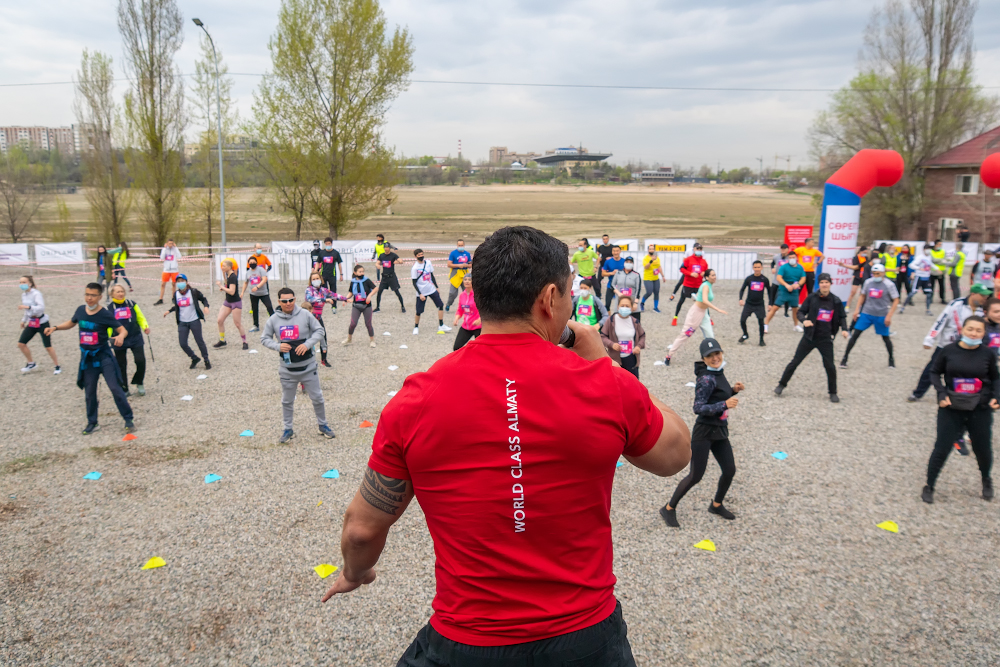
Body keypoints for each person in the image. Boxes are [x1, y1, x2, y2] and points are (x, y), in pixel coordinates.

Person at [320, 225, 691, 664]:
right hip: (585, 635)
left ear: (478, 295)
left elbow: (362, 529)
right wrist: (602, 362)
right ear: (550, 299)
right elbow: (675, 454)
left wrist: (355, 573)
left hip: (467, 639)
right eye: (569, 295)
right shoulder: (603, 384)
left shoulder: (417, 397)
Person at [661, 338, 742, 528]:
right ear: (703, 359)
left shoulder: (719, 372)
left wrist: (733, 391)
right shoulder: (706, 378)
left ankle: (716, 504)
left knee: (729, 470)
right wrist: (724, 404)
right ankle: (668, 508)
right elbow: (698, 407)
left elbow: (719, 395)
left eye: (717, 353)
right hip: (704, 432)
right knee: (695, 476)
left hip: (720, 431)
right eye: (710, 356)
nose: (715, 358)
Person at [922, 315, 997, 504]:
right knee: (942, 447)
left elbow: (996, 377)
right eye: (970, 329)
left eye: (978, 330)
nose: (974, 333)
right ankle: (929, 485)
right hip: (951, 406)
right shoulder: (948, 351)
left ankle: (986, 479)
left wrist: (997, 397)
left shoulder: (987, 353)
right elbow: (934, 372)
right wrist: (940, 393)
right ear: (962, 330)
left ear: (983, 333)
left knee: (982, 448)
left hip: (979, 407)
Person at [44, 283, 134, 434]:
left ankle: (128, 419)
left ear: (99, 297)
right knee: (89, 392)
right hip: (88, 360)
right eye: (87, 294)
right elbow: (72, 323)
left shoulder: (104, 314)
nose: (89, 298)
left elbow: (122, 329)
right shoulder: (80, 310)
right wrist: (55, 328)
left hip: (104, 357)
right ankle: (93, 422)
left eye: (93, 295)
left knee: (115, 388)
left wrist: (120, 336)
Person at [260, 286, 336, 444]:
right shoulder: (273, 319)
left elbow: (319, 331)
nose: (288, 303)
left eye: (291, 300)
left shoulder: (305, 314)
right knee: (287, 401)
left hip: (309, 368)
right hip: (287, 370)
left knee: (318, 398)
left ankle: (323, 426)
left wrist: (308, 344)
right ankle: (288, 429)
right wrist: (277, 346)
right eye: (284, 301)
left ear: (295, 299)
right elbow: (264, 338)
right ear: (279, 301)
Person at [907, 283, 992, 403]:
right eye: (982, 296)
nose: (985, 298)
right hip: (947, 345)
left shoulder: (983, 310)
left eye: (986, 296)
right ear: (973, 294)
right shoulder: (956, 305)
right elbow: (940, 321)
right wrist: (929, 339)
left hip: (970, 347)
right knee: (932, 368)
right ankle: (918, 393)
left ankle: (960, 394)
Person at [774, 273, 848, 403]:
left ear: (830, 284)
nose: (824, 285)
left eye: (826, 282)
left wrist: (844, 329)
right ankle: (781, 385)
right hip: (809, 337)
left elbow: (842, 317)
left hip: (825, 338)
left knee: (830, 366)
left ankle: (833, 392)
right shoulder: (812, 298)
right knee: (795, 362)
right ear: (819, 284)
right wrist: (804, 321)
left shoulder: (836, 301)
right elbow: (800, 312)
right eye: (822, 282)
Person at [840, 263, 899, 369]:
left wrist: (889, 316)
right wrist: (857, 310)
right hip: (867, 313)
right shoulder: (868, 282)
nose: (876, 276)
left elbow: (896, 299)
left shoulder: (889, 285)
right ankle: (844, 359)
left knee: (886, 338)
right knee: (855, 335)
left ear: (883, 273)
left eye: (878, 274)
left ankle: (891, 359)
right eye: (874, 274)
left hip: (881, 314)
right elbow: (862, 295)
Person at [664, 269, 725, 366]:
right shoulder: (705, 286)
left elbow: (699, 296)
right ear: (707, 277)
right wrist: (718, 309)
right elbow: (705, 300)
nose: (714, 277)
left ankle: (715, 359)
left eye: (715, 275)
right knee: (685, 335)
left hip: (703, 314)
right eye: (712, 275)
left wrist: (696, 297)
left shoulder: (708, 285)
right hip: (695, 314)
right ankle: (669, 355)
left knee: (710, 336)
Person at [107, 284, 148, 397]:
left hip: (135, 337)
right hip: (119, 340)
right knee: (121, 364)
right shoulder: (109, 308)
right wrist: (109, 337)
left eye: (122, 291)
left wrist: (145, 327)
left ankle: (139, 381)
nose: (120, 294)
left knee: (140, 361)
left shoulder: (131, 304)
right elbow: (109, 325)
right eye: (117, 292)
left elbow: (140, 317)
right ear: (112, 294)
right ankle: (124, 387)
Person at [164, 274, 211, 370]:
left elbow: (203, 299)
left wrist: (206, 307)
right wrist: (169, 311)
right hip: (182, 322)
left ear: (186, 282)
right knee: (182, 343)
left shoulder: (193, 292)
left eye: (182, 281)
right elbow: (177, 306)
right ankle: (194, 358)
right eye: (178, 281)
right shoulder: (176, 294)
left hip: (194, 321)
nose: (180, 283)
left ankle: (206, 359)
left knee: (199, 341)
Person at [304, 270, 348, 366]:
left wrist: (346, 298)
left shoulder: (324, 290)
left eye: (317, 278)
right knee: (307, 339)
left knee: (323, 338)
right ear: (310, 281)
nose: (316, 280)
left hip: (318, 318)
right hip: (309, 319)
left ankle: (324, 360)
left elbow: (335, 295)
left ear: (321, 279)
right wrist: (325, 299)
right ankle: (306, 360)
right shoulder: (309, 290)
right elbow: (310, 299)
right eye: (313, 279)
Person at [17, 276, 60, 374]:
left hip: (42, 323)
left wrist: (28, 306)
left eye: (24, 282)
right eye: (20, 282)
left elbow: (41, 308)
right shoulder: (24, 295)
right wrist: (23, 320)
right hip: (32, 322)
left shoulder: (36, 294)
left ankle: (57, 366)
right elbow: (26, 311)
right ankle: (31, 363)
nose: (22, 284)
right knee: (21, 344)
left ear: (30, 283)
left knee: (48, 346)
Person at [600, 295, 645, 379]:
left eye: (627, 306)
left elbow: (642, 336)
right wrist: (612, 344)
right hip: (615, 359)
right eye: (622, 306)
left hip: (631, 358)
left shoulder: (635, 322)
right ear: (618, 307)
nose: (624, 308)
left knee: (632, 383)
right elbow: (602, 336)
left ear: (632, 308)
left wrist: (638, 346)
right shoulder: (611, 321)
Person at [411, 248, 451, 335]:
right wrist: (420, 294)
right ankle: (416, 327)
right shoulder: (415, 268)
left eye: (422, 254)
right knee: (419, 311)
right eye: (419, 255)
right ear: (415, 256)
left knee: (440, 305)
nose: (421, 256)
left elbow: (432, 275)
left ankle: (441, 325)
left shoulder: (428, 263)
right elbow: (414, 282)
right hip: (422, 292)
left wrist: (436, 287)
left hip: (431, 289)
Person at [765, 252, 805, 333]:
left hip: (794, 290)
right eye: (790, 258)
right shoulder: (784, 267)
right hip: (784, 290)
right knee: (775, 307)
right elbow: (779, 278)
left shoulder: (800, 267)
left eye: (793, 257)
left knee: (795, 309)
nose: (791, 259)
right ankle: (765, 325)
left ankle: (796, 325)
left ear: (796, 258)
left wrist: (798, 284)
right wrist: (786, 285)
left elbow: (803, 278)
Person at [671, 242, 708, 326]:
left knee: (703, 301)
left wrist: (704, 273)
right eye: (697, 249)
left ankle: (708, 318)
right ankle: (675, 317)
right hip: (688, 285)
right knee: (681, 300)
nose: (699, 250)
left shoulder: (704, 262)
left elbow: (706, 271)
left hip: (698, 285)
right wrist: (690, 273)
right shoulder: (688, 259)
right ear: (694, 249)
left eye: (700, 249)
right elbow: (681, 269)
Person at [214, 259, 247, 350]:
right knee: (220, 320)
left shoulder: (233, 277)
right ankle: (222, 340)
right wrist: (224, 287)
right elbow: (228, 286)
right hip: (227, 301)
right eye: (222, 266)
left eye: (224, 266)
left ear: (229, 267)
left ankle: (245, 341)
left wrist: (221, 286)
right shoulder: (228, 275)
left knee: (237, 324)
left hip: (235, 302)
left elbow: (232, 292)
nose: (222, 267)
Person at [738, 260, 771, 346]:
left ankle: (761, 339)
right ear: (753, 268)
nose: (757, 269)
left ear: (761, 268)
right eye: (755, 267)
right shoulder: (749, 279)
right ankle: (745, 334)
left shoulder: (765, 279)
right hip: (749, 304)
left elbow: (770, 292)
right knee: (742, 320)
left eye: (758, 267)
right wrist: (741, 299)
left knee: (761, 322)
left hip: (759, 304)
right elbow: (742, 289)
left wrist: (770, 303)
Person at [343, 264, 377, 348]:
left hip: (366, 306)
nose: (362, 273)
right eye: (360, 272)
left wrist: (369, 296)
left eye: (363, 271)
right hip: (356, 306)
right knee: (353, 324)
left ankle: (372, 340)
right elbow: (351, 292)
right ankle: (349, 338)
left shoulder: (367, 280)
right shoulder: (353, 281)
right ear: (355, 272)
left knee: (368, 324)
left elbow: (376, 288)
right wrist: (345, 298)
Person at [242, 255, 274, 333]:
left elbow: (264, 279)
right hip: (253, 294)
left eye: (253, 262)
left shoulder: (261, 270)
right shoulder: (248, 272)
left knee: (269, 307)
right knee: (254, 309)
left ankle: (275, 323)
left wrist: (257, 287)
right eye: (250, 263)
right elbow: (245, 283)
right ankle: (256, 325)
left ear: (256, 262)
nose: (252, 263)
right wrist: (242, 293)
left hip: (263, 293)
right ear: (248, 264)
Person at [901, 247, 935, 315]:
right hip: (919, 277)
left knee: (929, 294)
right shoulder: (920, 257)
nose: (929, 251)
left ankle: (928, 310)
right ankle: (903, 307)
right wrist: (919, 268)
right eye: (927, 249)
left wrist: (937, 268)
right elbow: (911, 265)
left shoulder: (930, 257)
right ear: (924, 249)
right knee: (912, 293)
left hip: (927, 278)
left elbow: (931, 264)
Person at [451, 274, 482, 351]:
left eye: (469, 280)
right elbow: (460, 310)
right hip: (466, 326)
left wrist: (479, 320)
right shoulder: (462, 295)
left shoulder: (477, 295)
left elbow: (484, 309)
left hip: (478, 327)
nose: (467, 281)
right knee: (456, 347)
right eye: (465, 279)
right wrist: (456, 318)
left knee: (481, 350)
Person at [314, 238, 344, 313]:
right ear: (324, 244)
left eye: (329, 244)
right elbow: (318, 262)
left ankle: (334, 306)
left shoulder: (335, 253)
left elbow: (339, 264)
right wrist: (315, 272)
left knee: (333, 291)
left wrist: (341, 274)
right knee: (324, 290)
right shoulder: (322, 253)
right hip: (323, 275)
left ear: (331, 244)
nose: (328, 245)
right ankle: (323, 304)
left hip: (332, 275)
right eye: (326, 244)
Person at [374, 243, 406, 313]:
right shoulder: (382, 255)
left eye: (387, 247)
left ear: (389, 248)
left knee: (397, 292)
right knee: (379, 292)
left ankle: (403, 306)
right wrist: (377, 265)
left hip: (392, 277)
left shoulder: (393, 255)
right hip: (384, 277)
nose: (386, 248)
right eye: (385, 247)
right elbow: (377, 262)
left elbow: (401, 261)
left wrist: (398, 261)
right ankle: (377, 307)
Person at [610, 256, 642, 322]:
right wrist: (619, 293)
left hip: (632, 300)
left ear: (633, 264)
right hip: (620, 300)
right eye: (627, 262)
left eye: (630, 262)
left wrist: (635, 302)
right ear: (624, 263)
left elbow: (638, 289)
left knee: (635, 322)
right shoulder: (618, 273)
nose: (628, 263)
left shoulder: (636, 275)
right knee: (618, 321)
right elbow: (612, 285)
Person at [445, 239, 472, 312]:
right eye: (459, 245)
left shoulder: (467, 254)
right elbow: (449, 264)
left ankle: (468, 306)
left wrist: (467, 265)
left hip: (465, 274)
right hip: (455, 274)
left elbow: (471, 264)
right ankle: (448, 304)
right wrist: (458, 265)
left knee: (467, 291)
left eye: (462, 245)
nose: (460, 246)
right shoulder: (453, 253)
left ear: (464, 245)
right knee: (452, 293)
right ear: (457, 245)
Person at [154, 239, 182, 305]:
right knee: (163, 284)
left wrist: (176, 248)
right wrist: (164, 249)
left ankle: (173, 298)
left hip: (174, 269)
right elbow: (161, 258)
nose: (170, 245)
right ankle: (160, 299)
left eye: (172, 243)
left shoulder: (175, 249)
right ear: (167, 243)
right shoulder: (164, 249)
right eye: (169, 243)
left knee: (174, 284)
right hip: (166, 269)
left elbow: (179, 257)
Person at [640, 244, 666, 312]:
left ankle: (655, 307)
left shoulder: (657, 258)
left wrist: (663, 276)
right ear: (648, 250)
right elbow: (646, 267)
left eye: (652, 249)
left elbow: (659, 267)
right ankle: (642, 303)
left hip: (656, 278)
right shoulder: (645, 258)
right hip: (648, 278)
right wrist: (651, 260)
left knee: (656, 292)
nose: (651, 250)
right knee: (649, 292)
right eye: (650, 249)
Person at [770, 244, 793, 317]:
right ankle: (773, 310)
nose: (783, 250)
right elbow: (772, 263)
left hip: (786, 280)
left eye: (784, 248)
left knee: (786, 296)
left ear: (787, 249)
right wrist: (772, 268)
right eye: (782, 248)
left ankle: (786, 312)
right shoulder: (777, 257)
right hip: (777, 280)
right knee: (773, 295)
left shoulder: (790, 258)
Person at [600, 245, 625, 311]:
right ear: (612, 252)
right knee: (607, 305)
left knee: (622, 305)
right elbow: (603, 273)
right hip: (611, 285)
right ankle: (610, 320)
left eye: (617, 251)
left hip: (621, 286)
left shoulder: (624, 261)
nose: (615, 252)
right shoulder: (608, 261)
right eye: (614, 251)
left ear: (620, 251)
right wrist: (611, 273)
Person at [846, 245, 870, 313]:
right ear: (861, 251)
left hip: (864, 276)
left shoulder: (866, 258)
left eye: (866, 252)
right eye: (864, 252)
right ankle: (847, 306)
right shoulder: (856, 258)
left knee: (862, 293)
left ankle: (860, 307)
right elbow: (855, 266)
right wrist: (862, 264)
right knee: (853, 292)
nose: (865, 253)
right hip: (857, 276)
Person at [595, 234, 616, 302]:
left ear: (608, 239)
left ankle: (614, 292)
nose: (605, 240)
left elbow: (616, 255)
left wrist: (611, 258)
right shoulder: (600, 247)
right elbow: (597, 256)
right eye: (604, 239)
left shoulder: (612, 247)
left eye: (606, 239)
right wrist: (596, 266)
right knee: (598, 280)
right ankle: (599, 294)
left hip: (611, 266)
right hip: (603, 266)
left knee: (613, 280)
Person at [929, 239, 949, 304]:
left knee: (942, 286)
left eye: (941, 244)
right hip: (933, 271)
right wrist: (941, 260)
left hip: (941, 271)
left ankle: (942, 298)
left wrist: (938, 261)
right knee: (932, 286)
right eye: (939, 244)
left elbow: (946, 260)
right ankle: (930, 298)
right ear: (935, 244)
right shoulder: (931, 252)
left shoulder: (943, 251)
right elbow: (932, 260)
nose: (940, 246)